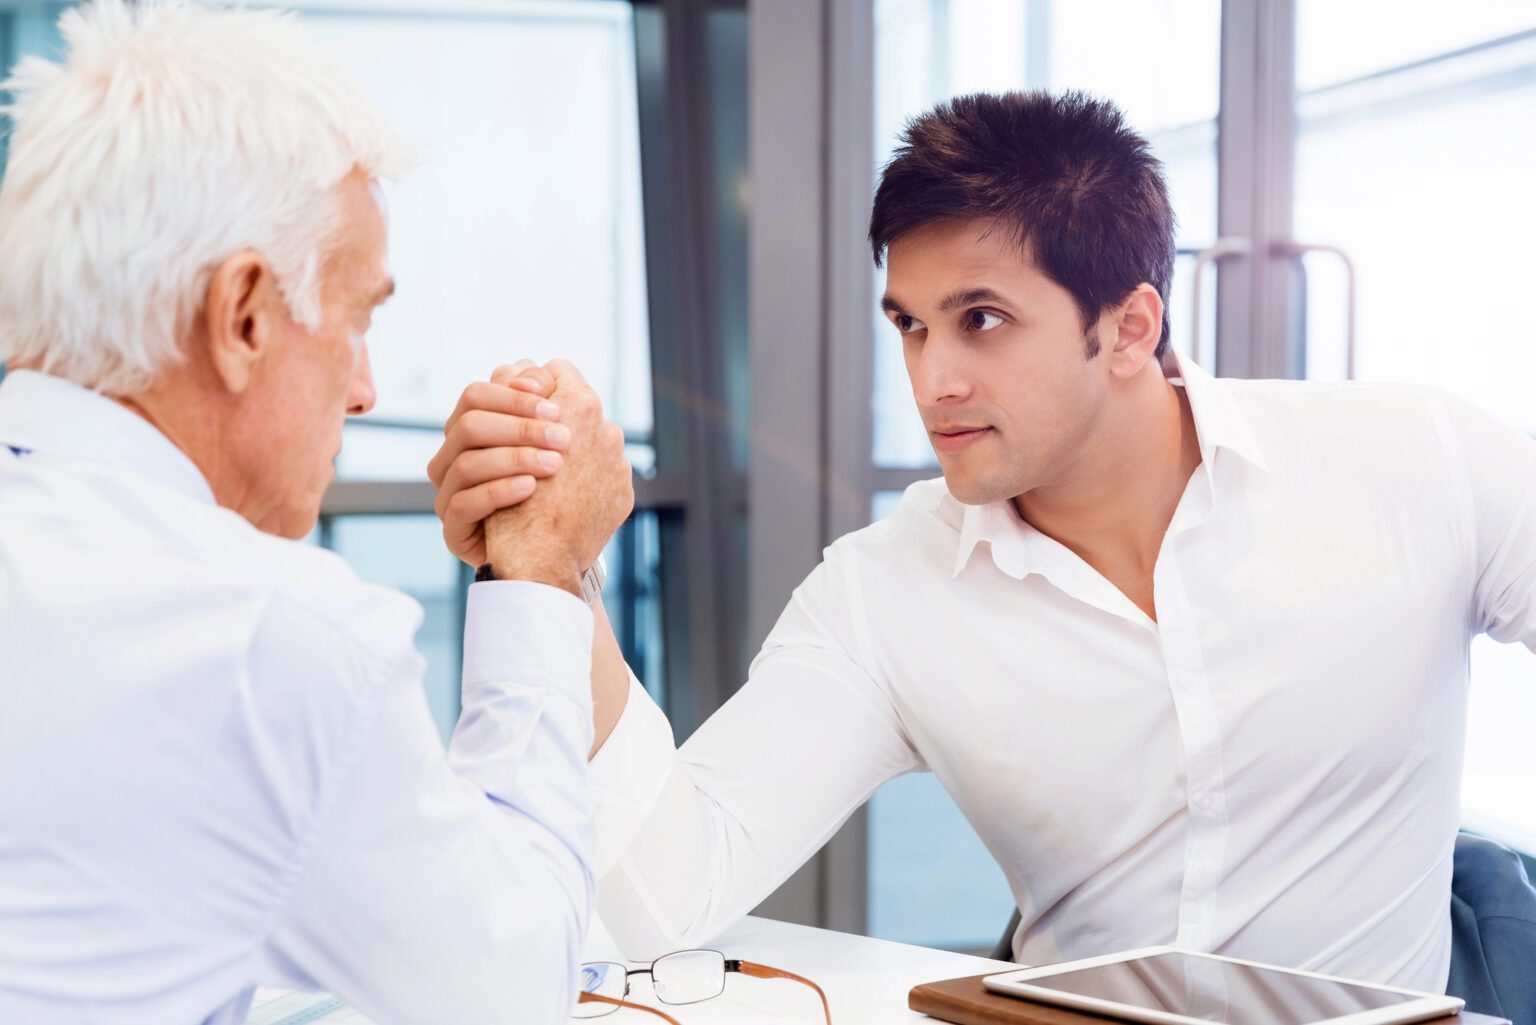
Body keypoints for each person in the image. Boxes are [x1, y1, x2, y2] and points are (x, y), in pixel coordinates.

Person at [431, 90, 1536, 995]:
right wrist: (555, 577)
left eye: (982, 320)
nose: (932, 378)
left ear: (1132, 325)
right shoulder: (887, 590)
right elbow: (670, 888)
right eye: (909, 324)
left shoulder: (1415, 463)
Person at [0, 3, 631, 1023]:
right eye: (357, 319)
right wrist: (542, 573)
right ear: (244, 315)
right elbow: (508, 985)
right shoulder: (260, 629)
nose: (367, 388)